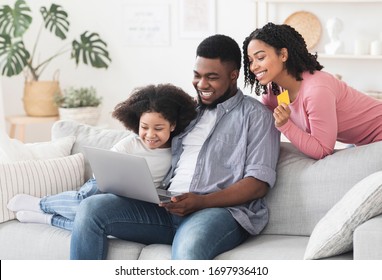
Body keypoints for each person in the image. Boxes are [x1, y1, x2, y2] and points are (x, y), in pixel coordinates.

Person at [69, 34, 280, 260]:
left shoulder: (257, 116)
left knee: (189, 248)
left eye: (212, 77)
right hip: (167, 206)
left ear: (233, 75)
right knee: (91, 209)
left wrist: (201, 201)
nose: (202, 84)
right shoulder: (188, 113)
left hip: (217, 212)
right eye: (197, 76)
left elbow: (258, 184)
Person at [7, 83, 197, 231]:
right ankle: (41, 204)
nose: (149, 134)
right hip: (104, 185)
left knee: (98, 225)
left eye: (158, 128)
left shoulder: (176, 151)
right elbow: (106, 167)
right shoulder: (131, 143)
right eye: (144, 127)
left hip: (135, 199)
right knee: (87, 200)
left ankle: (47, 219)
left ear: (172, 125)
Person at [243, 22, 382, 160]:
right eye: (250, 61)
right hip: (358, 143)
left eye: (260, 58)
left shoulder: (316, 90)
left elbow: (322, 150)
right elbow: (263, 129)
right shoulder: (273, 92)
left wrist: (285, 125)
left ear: (283, 55)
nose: (253, 67)